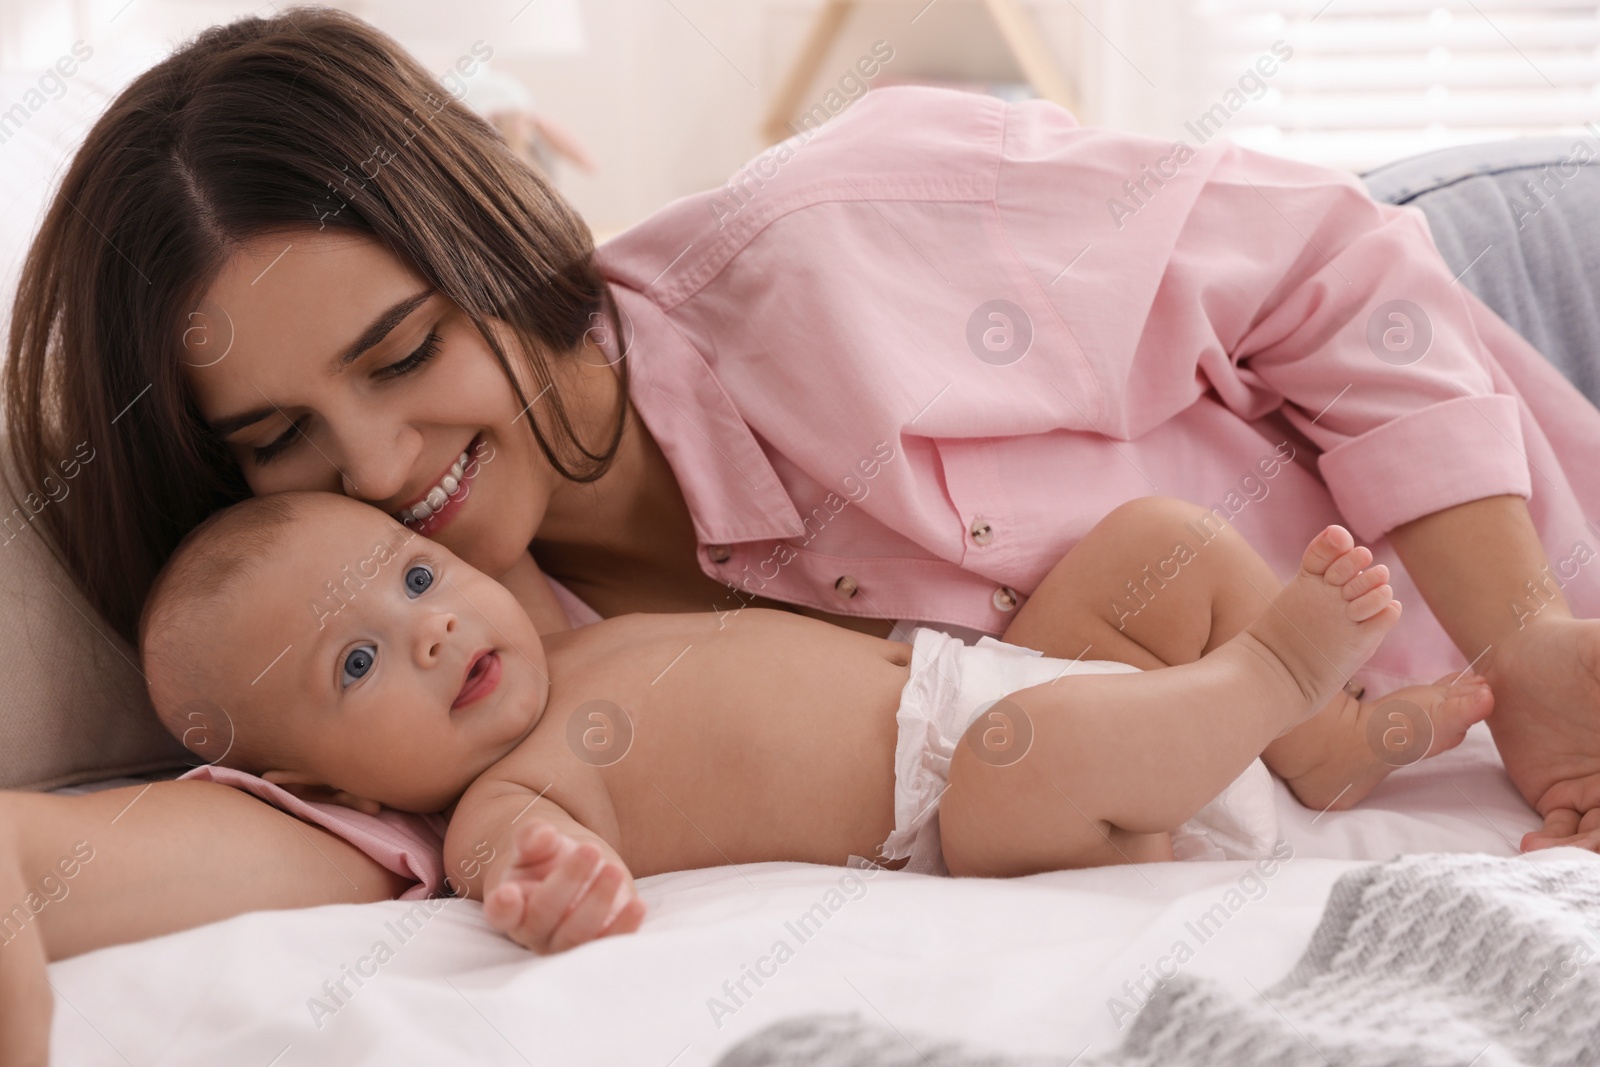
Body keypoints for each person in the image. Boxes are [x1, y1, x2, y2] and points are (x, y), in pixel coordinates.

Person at [4, 4, 1600, 1055]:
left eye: (404, 350)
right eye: (282, 442)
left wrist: (1522, 631)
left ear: (490, 242)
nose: (376, 463)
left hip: (1479, 352)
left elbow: (1337, 272)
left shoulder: (848, 235)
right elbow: (231, 839)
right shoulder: (450, 669)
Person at [134, 491, 1482, 952]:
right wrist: (545, 887)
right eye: (357, 661)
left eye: (415, 576)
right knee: (1023, 764)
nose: (427, 626)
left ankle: (1321, 745)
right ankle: (1272, 679)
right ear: (325, 782)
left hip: (986, 676)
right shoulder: (504, 796)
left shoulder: (574, 635)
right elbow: (509, 871)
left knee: (1161, 544)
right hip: (979, 810)